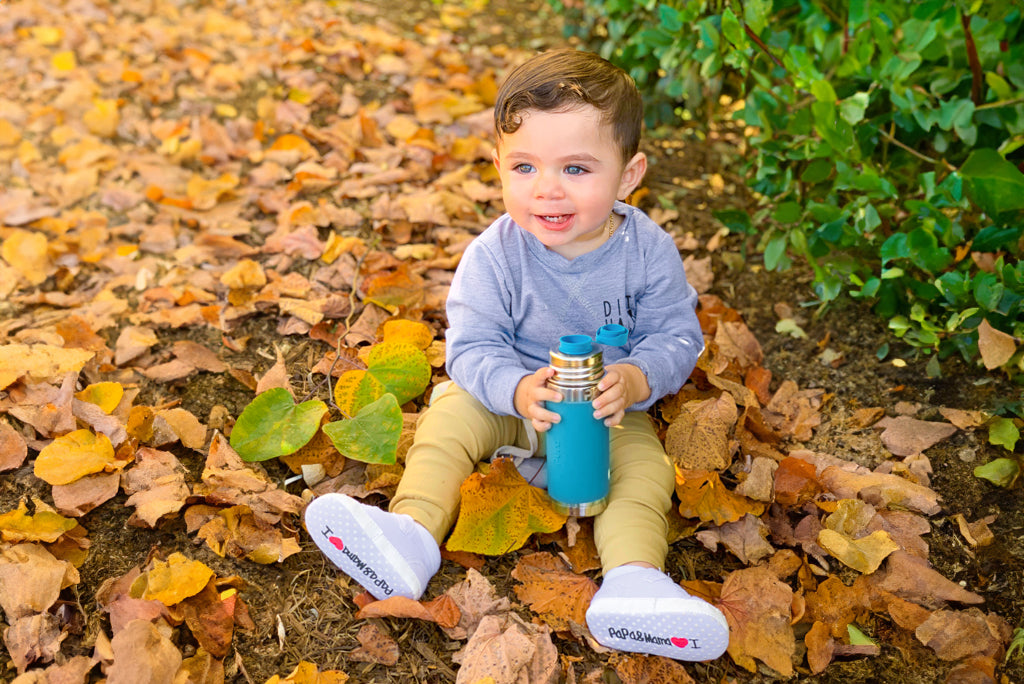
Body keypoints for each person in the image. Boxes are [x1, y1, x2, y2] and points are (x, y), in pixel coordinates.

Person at [305, 48, 729, 662]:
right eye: (525, 166)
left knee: (645, 470)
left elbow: (676, 334)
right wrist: (514, 388)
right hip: (510, 405)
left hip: (606, 418)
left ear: (629, 174)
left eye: (578, 169)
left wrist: (636, 379)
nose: (548, 189)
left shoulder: (646, 250)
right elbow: (472, 346)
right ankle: (412, 536)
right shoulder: (496, 254)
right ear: (499, 166)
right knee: (447, 421)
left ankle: (633, 583)